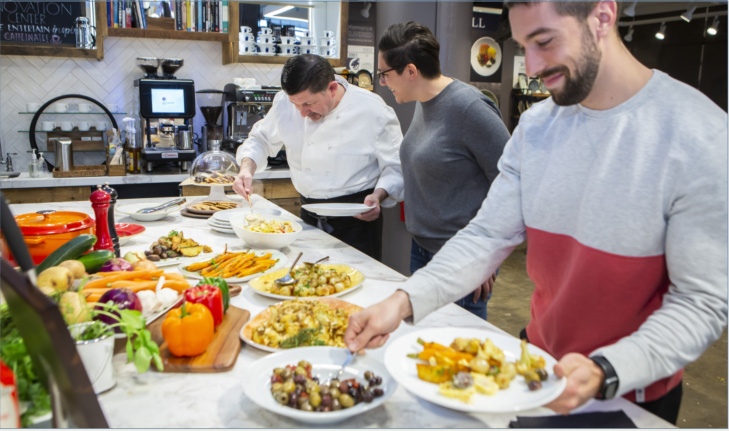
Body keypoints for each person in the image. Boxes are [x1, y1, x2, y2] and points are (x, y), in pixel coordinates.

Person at [344, 0, 727, 424]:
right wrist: (402, 301)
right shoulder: (538, 126)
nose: (534, 64)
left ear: (603, 16)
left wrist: (610, 369)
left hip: (632, 391)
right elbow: (486, 234)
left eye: (544, 41)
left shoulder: (699, 134)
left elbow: (701, 302)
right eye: (525, 45)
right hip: (535, 366)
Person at [377, 22, 510, 320]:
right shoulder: (423, 101)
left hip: (460, 258)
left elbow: (513, 183)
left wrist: (485, 254)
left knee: (457, 355)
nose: (383, 82)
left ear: (411, 72)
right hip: (422, 250)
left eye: (385, 74)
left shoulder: (470, 108)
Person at [234, 55, 404, 260]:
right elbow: (260, 139)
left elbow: (395, 167)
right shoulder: (284, 103)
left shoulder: (372, 108)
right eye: (296, 105)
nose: (303, 113)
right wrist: (246, 169)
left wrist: (378, 196)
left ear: (332, 88)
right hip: (306, 220)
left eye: (309, 103)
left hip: (356, 224)